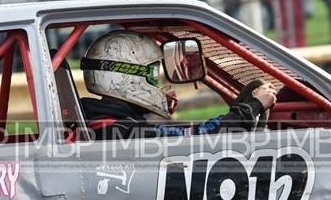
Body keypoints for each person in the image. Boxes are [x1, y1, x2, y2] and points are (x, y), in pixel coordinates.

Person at [79, 30, 277, 140]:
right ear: (125, 76)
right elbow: (199, 137)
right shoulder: (119, 130)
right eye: (153, 73)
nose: (159, 82)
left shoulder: (103, 121)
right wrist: (252, 107)